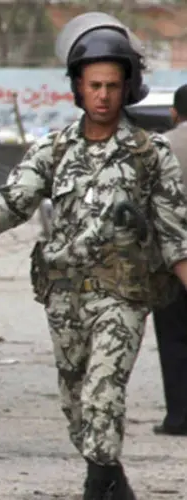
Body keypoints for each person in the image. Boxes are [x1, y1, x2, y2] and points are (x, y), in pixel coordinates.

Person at [0, 13, 187, 498]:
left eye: (112, 85)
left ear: (126, 87)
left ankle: (95, 487)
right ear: (78, 88)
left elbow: (176, 235)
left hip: (122, 297)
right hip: (64, 297)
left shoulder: (150, 154)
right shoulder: (56, 147)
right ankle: (114, 482)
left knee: (103, 392)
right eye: (94, 85)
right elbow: (17, 195)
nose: (104, 95)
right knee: (77, 409)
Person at [151, 83, 187, 436]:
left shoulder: (161, 147)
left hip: (169, 258)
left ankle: (179, 417)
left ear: (175, 113)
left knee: (174, 338)